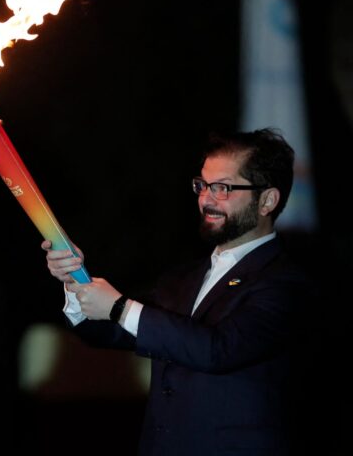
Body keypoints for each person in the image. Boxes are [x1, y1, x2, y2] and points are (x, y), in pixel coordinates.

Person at [43, 128, 309, 455]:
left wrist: (119, 307)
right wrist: (75, 280)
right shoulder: (182, 278)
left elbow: (218, 349)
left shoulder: (285, 282)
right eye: (202, 185)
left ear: (267, 200)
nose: (206, 199)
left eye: (222, 188)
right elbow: (114, 331)